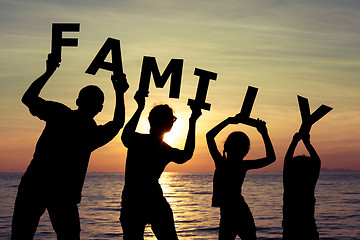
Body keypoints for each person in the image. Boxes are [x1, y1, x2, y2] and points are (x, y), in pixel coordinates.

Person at [11, 53, 129, 240]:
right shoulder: (91, 134)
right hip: (61, 194)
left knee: (21, 236)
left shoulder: (59, 113)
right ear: (99, 109)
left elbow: (28, 98)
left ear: (77, 102)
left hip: (35, 186)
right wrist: (120, 92)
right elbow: (118, 122)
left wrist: (48, 72)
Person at [120, 90, 202, 240]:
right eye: (172, 119)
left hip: (134, 200)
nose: (173, 121)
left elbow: (125, 135)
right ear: (164, 123)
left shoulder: (138, 141)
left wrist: (139, 107)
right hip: (148, 200)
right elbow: (186, 155)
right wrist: (192, 121)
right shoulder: (163, 149)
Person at [206, 114, 276, 240]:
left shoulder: (224, 163)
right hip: (235, 213)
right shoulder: (240, 164)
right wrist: (264, 133)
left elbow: (209, 136)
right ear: (245, 151)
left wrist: (228, 121)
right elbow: (271, 158)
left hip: (233, 213)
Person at [282, 128, 321, 240]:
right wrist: (307, 143)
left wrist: (294, 141)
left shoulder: (289, 185)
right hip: (309, 230)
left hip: (290, 231)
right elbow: (317, 162)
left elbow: (287, 160)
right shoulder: (309, 185)